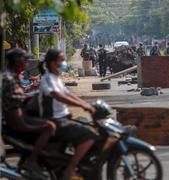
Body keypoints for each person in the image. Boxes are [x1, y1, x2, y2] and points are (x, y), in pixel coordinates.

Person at [40, 49, 98, 180]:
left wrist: (87, 104)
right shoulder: (48, 79)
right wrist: (82, 105)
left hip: (63, 117)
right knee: (90, 136)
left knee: (91, 127)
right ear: (53, 63)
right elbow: (58, 96)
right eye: (61, 60)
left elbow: (68, 94)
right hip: (56, 120)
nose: (64, 63)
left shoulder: (56, 78)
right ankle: (70, 170)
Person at [2, 48, 56, 178]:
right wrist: (36, 96)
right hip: (18, 120)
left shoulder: (15, 76)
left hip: (20, 114)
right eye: (24, 61)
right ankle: (32, 161)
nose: (26, 64)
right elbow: (17, 100)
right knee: (50, 127)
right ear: (17, 62)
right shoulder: (8, 79)